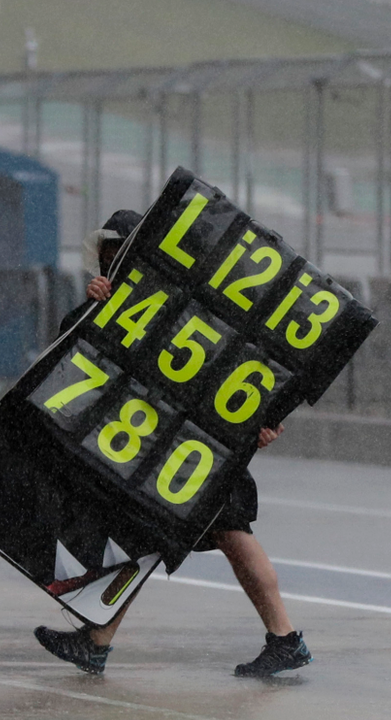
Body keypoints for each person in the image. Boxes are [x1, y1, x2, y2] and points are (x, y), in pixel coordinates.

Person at [33, 210, 312, 678]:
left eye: (119, 255)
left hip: (198, 448)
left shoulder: (193, 299)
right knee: (144, 537)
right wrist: (92, 310)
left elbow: (248, 356)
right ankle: (97, 641)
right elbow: (72, 357)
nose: (111, 265)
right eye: (106, 258)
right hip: (162, 453)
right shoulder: (111, 304)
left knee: (228, 534)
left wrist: (264, 420)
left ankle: (285, 638)